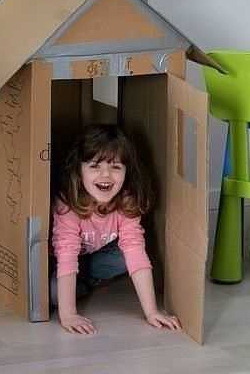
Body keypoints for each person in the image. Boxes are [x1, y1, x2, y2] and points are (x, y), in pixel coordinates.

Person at [50, 124, 182, 335]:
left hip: (95, 256)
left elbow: (134, 249)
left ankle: (86, 281)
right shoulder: (67, 204)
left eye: (116, 167)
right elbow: (66, 254)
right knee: (54, 294)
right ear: (78, 170)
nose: (106, 175)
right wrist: (69, 315)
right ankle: (82, 283)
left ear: (127, 171)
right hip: (59, 260)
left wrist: (152, 312)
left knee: (130, 257)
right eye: (94, 166)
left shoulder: (127, 200)